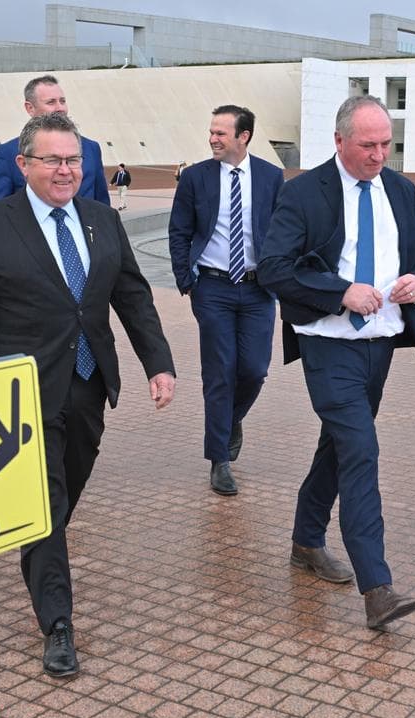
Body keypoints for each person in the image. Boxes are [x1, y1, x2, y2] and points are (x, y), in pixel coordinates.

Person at [0, 113, 175, 677]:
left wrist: (159, 363)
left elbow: (133, 297)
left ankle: (33, 541)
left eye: (73, 159)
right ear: (24, 165)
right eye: (53, 159)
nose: (65, 169)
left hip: (87, 383)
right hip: (19, 393)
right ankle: (58, 623)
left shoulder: (101, 220)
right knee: (45, 507)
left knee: (61, 496)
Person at [257, 95, 415, 631]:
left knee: (339, 446)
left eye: (386, 144)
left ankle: (306, 541)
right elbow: (273, 269)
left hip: (381, 344)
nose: (379, 155)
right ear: (339, 142)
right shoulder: (303, 193)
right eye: (367, 145)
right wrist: (340, 293)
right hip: (327, 345)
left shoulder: (401, 189)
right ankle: (376, 587)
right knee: (361, 449)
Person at [169, 105, 283, 496]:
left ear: (244, 136)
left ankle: (230, 420)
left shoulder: (271, 177)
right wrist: (187, 281)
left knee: (253, 369)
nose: (213, 139)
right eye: (212, 131)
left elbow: (284, 231)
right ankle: (220, 459)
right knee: (220, 371)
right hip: (212, 288)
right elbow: (179, 230)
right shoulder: (196, 178)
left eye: (221, 133)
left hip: (257, 289)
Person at [0, 74, 109, 206]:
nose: (60, 108)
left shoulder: (91, 148)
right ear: (30, 108)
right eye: (51, 102)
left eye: (62, 101)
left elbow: (102, 206)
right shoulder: (7, 153)